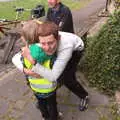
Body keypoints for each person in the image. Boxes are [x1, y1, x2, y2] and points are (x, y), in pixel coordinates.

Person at [22, 21, 89, 111]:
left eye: (50, 43)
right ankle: (47, 96)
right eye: (43, 43)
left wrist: (32, 62)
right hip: (59, 48)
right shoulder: (42, 38)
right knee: (53, 70)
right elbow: (15, 58)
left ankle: (84, 96)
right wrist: (24, 70)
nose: (46, 48)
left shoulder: (66, 48)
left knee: (67, 78)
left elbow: (52, 76)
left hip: (75, 51)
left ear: (58, 38)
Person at [12, 20, 58, 120]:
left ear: (24, 38)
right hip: (50, 87)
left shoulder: (24, 52)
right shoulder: (49, 49)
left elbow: (15, 59)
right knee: (52, 105)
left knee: (41, 104)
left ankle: (45, 117)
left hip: (36, 87)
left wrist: (25, 70)